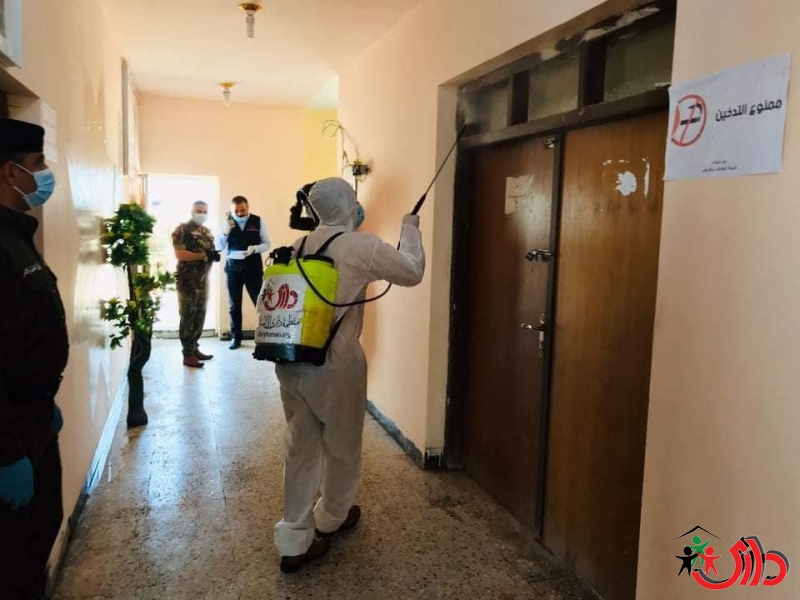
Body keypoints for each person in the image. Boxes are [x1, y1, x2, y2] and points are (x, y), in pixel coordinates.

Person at [273, 178, 425, 573]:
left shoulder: (297, 246)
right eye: (355, 202)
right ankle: (331, 518)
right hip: (336, 365)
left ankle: (292, 539)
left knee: (299, 446)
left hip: (291, 360)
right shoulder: (360, 245)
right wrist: (410, 228)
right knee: (341, 447)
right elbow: (411, 272)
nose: (359, 208)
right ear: (347, 205)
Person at [0, 119, 68, 600]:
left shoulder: (18, 234)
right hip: (9, 428)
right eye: (38, 165)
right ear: (10, 173)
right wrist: (6, 451)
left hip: (35, 412)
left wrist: (46, 399)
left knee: (41, 529)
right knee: (11, 555)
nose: (45, 175)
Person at [217, 196, 271, 349]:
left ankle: (265, 335)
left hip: (253, 268)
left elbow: (267, 243)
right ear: (232, 210)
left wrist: (255, 249)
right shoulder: (226, 223)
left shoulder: (258, 221)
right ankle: (236, 337)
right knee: (234, 305)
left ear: (248, 207)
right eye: (236, 211)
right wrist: (225, 233)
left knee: (259, 302)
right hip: (232, 268)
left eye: (243, 210)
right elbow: (219, 246)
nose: (240, 214)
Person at [172, 201, 219, 368]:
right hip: (188, 280)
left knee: (200, 315)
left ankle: (194, 347)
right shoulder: (182, 230)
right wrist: (202, 256)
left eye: (205, 211)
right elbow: (180, 253)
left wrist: (213, 255)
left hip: (203, 280)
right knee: (188, 315)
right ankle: (187, 353)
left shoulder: (206, 232)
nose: (202, 214)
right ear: (192, 212)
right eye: (199, 211)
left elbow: (211, 251)